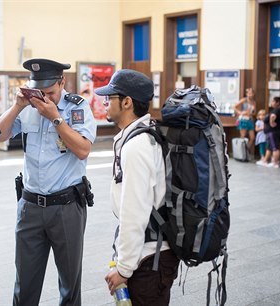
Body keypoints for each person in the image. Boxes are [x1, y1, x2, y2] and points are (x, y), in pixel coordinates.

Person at [0, 58, 97, 306]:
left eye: (50, 92)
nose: (45, 98)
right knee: (24, 284)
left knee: (70, 284)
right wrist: (17, 107)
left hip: (66, 206)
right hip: (30, 207)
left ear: (62, 83)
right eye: (40, 92)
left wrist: (56, 118)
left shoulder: (77, 107)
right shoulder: (28, 106)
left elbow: (83, 150)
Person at [95, 69, 179, 305]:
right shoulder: (146, 134)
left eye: (109, 98)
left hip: (149, 260)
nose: (105, 103)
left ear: (127, 102)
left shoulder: (137, 145)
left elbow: (135, 213)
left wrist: (123, 268)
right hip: (154, 254)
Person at [256, 96, 280, 168]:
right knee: (270, 147)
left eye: (273, 101)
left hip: (274, 132)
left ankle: (275, 162)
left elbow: (273, 116)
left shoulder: (277, 110)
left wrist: (271, 122)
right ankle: (265, 160)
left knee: (274, 147)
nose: (272, 103)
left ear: (277, 103)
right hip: (279, 131)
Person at [234, 88, 256, 152]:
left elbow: (254, 112)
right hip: (243, 119)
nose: (250, 95)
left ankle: (246, 151)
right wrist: (240, 112)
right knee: (243, 136)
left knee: (252, 138)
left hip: (250, 119)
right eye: (248, 93)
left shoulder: (254, 102)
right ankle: (241, 152)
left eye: (251, 93)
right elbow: (234, 106)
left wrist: (251, 113)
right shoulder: (244, 100)